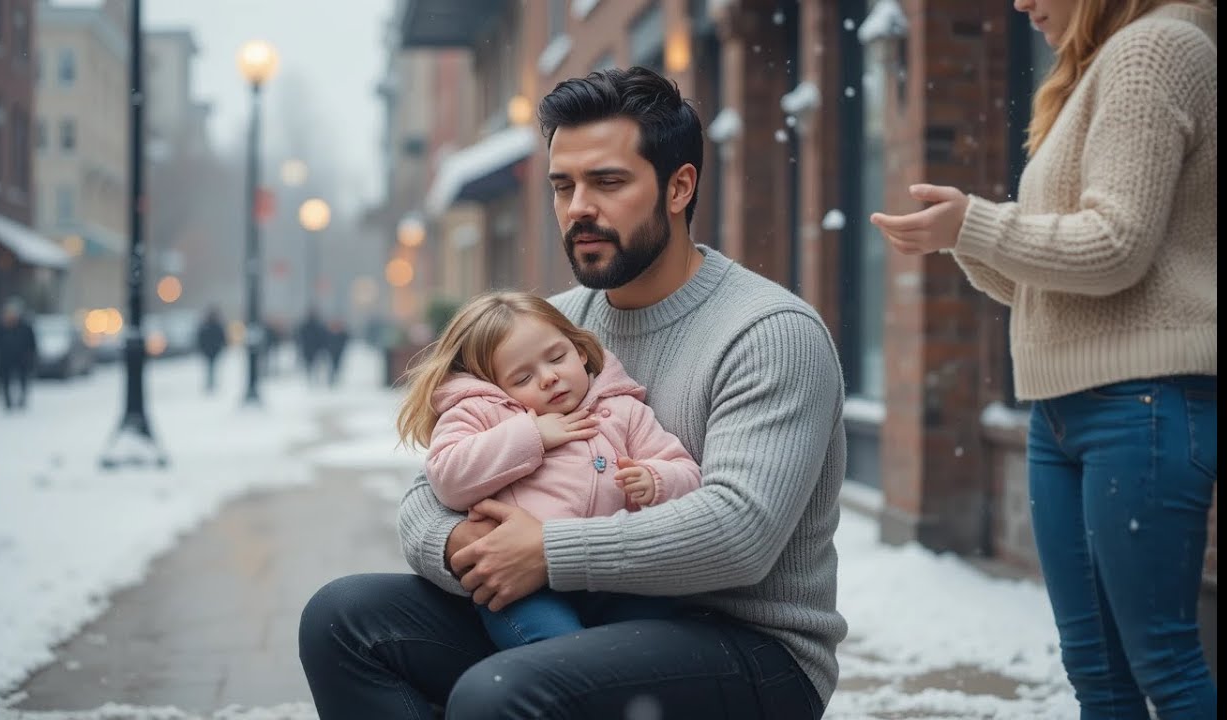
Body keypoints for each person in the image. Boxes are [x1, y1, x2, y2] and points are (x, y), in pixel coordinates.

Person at [299, 66, 847, 720]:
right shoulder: (552, 327)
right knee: (342, 620)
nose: (579, 207)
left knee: (500, 694)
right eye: (564, 186)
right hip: (581, 611)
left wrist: (546, 553)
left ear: (679, 187)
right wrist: (466, 549)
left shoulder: (768, 333)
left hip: (747, 643)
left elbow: (739, 535)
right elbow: (430, 491)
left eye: (607, 182)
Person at [870, 1, 1216, 717]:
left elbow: (1115, 247)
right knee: (1096, 669)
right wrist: (963, 236)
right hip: (1064, 411)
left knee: (1163, 665)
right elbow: (1046, 285)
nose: (1021, 3)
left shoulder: (1155, 50)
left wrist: (978, 222)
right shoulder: (1093, 68)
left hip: (1140, 403)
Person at [396, 290, 702, 650]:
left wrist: (657, 478)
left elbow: (687, 473)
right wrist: (531, 435)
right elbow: (446, 476)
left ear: (581, 351)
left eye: (557, 357)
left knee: (655, 631)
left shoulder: (622, 410)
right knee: (560, 652)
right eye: (522, 378)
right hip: (525, 587)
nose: (548, 378)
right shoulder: (484, 413)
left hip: (615, 576)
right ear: (494, 387)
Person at [0, 298, 37, 411]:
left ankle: (22, 399)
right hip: (5, 358)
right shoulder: (1, 327)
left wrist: (31, 355)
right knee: (5, 380)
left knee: (23, 379)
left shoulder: (25, 327)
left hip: (21, 358)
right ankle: (8, 402)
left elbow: (32, 342)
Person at [196, 306, 227, 394]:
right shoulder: (208, 326)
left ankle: (211, 383)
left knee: (211, 367)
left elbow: (222, 338)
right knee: (211, 367)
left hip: (213, 350)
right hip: (210, 350)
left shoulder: (210, 326)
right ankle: (210, 383)